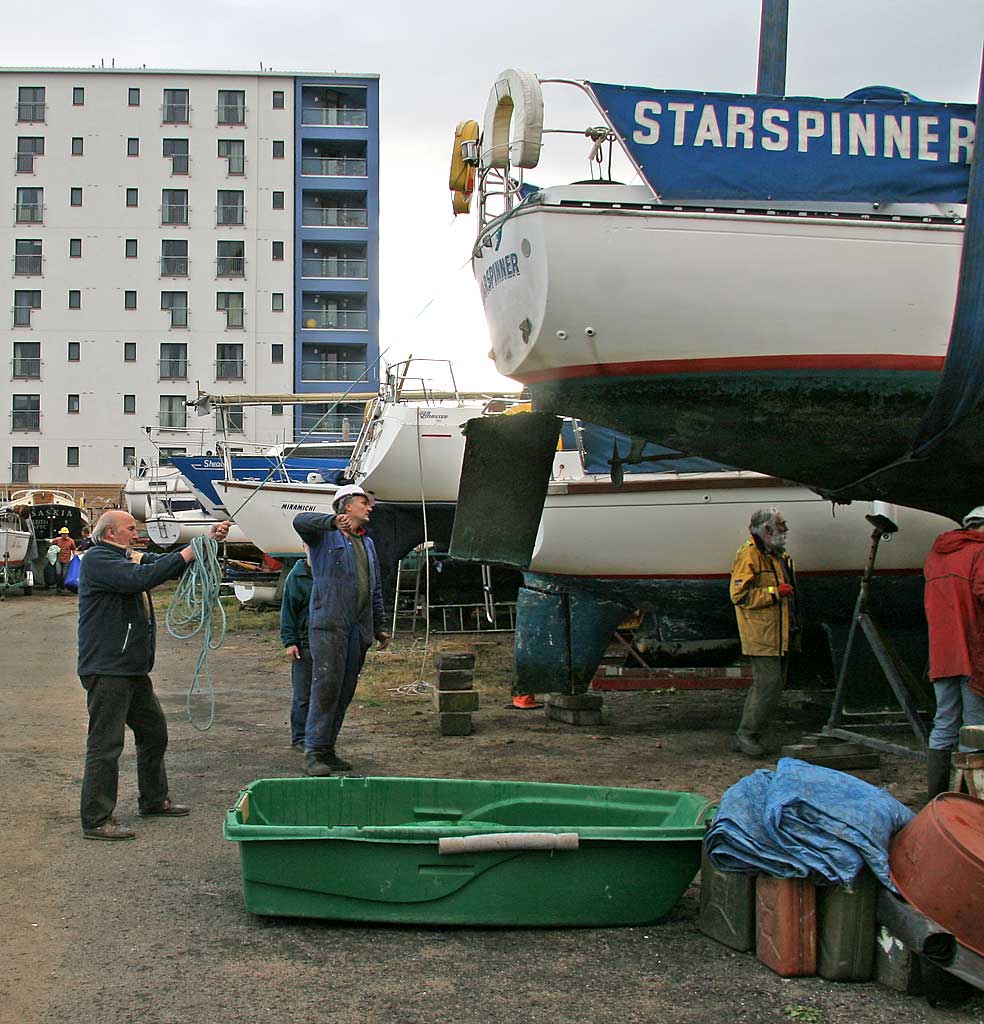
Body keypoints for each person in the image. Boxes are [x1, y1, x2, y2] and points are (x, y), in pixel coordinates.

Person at [77, 509, 230, 840]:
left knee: (154, 732)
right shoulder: (98, 560)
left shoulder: (125, 556)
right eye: (130, 528)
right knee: (106, 744)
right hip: (108, 669)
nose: (137, 533)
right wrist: (192, 551)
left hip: (130, 668)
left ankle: (154, 799)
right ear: (109, 534)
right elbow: (140, 579)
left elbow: (157, 564)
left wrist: (204, 543)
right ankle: (96, 819)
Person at [293, 484, 391, 777]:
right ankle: (312, 752)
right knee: (326, 687)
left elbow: (373, 588)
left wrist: (380, 625)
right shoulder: (324, 535)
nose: (370, 507)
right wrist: (331, 521)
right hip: (329, 624)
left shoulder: (366, 543)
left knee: (344, 691)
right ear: (347, 506)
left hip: (357, 628)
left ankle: (327, 749)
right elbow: (299, 521)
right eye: (364, 502)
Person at [923, 505, 984, 800]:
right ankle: (971, 803)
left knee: (945, 722)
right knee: (975, 727)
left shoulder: (936, 554)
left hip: (941, 652)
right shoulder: (980, 551)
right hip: (972, 650)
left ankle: (936, 798)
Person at [729, 508, 799, 757]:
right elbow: (739, 595)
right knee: (767, 684)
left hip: (778, 632)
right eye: (781, 525)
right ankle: (747, 734)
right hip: (762, 633)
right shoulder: (750, 555)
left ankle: (750, 733)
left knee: (771, 684)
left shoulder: (777, 554)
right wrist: (774, 592)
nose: (785, 530)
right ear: (766, 530)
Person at [280, 547, 314, 752]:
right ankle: (299, 737)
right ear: (304, 548)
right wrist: (290, 641)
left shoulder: (329, 572)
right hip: (304, 642)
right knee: (303, 695)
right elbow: (288, 610)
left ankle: (319, 736)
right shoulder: (297, 576)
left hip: (326, 642)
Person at [52, 526, 77, 593]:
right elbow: (51, 543)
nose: (64, 535)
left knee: (64, 574)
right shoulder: (57, 540)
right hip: (59, 559)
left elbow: (73, 548)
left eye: (65, 534)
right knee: (58, 573)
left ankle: (62, 586)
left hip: (67, 560)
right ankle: (58, 587)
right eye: (63, 534)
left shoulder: (71, 541)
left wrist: (75, 555)